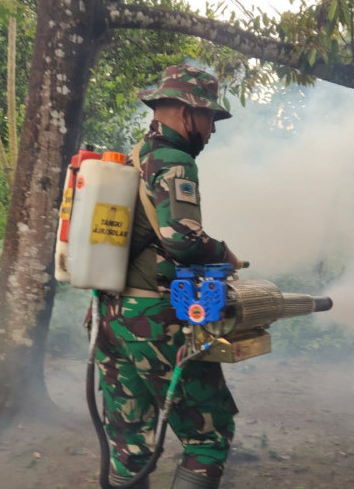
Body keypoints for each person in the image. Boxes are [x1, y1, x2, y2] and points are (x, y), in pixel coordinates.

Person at [93, 64, 243, 489]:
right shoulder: (174, 160)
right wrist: (224, 253)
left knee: (129, 438)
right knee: (208, 435)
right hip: (153, 319)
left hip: (109, 316)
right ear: (184, 111)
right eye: (210, 117)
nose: (212, 130)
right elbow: (182, 241)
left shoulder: (134, 154)